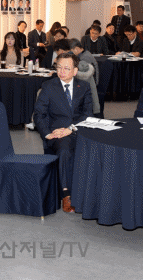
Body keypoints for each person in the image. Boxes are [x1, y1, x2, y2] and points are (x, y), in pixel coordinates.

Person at [33, 52, 93, 213]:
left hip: (78, 130)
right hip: (57, 133)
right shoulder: (48, 86)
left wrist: (71, 128)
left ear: (75, 71)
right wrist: (47, 134)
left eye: (66, 68)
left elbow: (88, 115)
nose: (62, 71)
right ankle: (66, 194)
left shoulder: (84, 87)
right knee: (65, 150)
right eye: (59, 67)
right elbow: (39, 114)